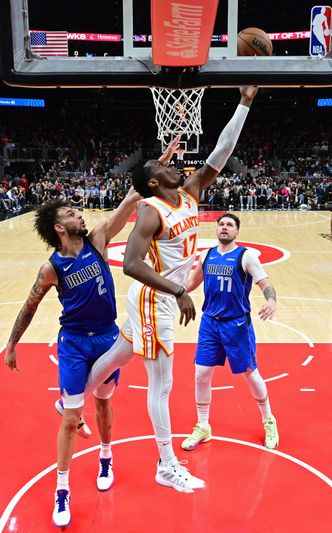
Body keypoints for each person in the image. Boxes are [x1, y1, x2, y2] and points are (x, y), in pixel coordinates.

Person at [122, 86, 258, 493]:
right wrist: (180, 292)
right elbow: (130, 264)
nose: (175, 164)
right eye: (163, 166)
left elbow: (221, 150)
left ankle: (72, 395)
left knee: (115, 359)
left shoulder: (189, 194)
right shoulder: (150, 209)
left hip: (165, 298)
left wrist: (245, 103)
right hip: (154, 300)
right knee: (161, 386)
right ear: (152, 180)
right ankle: (165, 464)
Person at [3, 186, 141, 528]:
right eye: (71, 213)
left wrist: (149, 174)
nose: (80, 214)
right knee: (70, 418)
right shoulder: (51, 268)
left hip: (108, 337)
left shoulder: (98, 240)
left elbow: (129, 201)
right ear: (59, 228)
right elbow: (30, 305)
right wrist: (12, 344)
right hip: (75, 344)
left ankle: (106, 456)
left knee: (105, 402)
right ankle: (62, 489)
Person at [180, 213, 279, 451]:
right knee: (201, 374)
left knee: (250, 374)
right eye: (221, 224)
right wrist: (173, 292)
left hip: (236, 325)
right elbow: (192, 283)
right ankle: (203, 426)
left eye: (230, 225)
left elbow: (265, 284)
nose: (224, 228)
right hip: (210, 323)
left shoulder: (246, 256)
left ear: (237, 232)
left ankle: (269, 420)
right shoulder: (207, 255)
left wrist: (272, 301)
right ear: (216, 230)